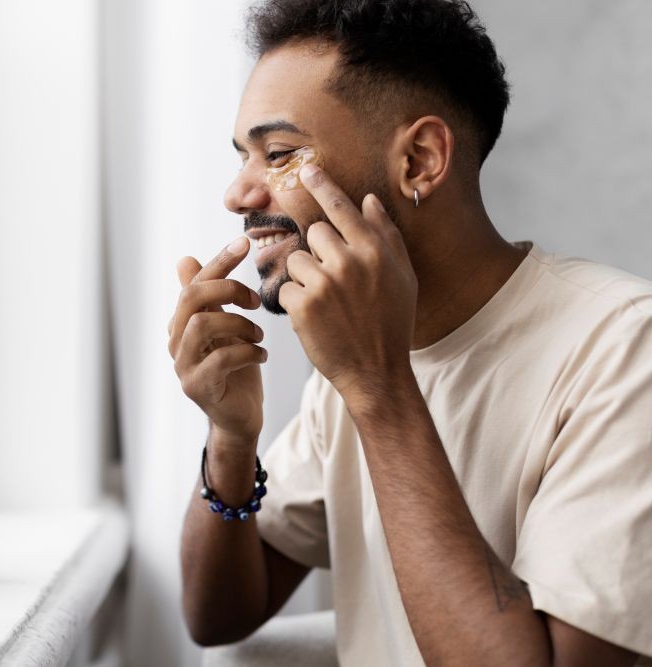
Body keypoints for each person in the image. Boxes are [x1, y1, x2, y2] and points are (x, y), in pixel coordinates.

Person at [167, 0, 652, 664]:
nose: (237, 193)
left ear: (421, 160)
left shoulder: (625, 352)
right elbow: (216, 614)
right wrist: (229, 438)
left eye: (277, 153)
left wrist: (378, 387)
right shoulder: (354, 360)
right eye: (244, 157)